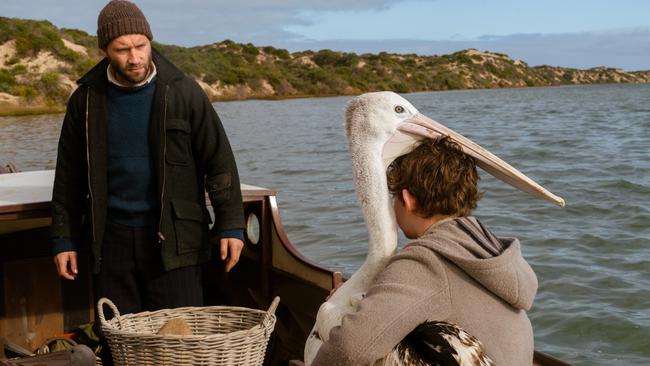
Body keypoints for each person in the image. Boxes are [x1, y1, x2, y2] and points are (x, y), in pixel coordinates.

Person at [51, 0, 244, 338]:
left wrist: (231, 226)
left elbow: (219, 163)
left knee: (182, 342)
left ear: (150, 40)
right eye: (122, 49)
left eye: (140, 46)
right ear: (105, 50)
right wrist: (64, 238)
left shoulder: (185, 92)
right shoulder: (84, 101)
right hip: (110, 242)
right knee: (119, 341)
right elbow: (68, 175)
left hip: (177, 239)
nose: (135, 57)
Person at [312, 136, 538, 366]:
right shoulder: (490, 252)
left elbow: (349, 348)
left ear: (408, 199)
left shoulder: (426, 262)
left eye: (395, 197)